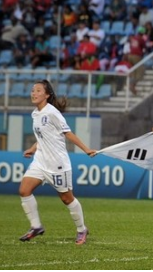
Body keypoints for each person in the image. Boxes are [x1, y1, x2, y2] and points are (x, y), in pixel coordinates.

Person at [19, 80, 97, 245]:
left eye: (38, 90)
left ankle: (82, 229)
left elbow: (68, 134)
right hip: (40, 161)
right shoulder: (35, 113)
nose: (34, 93)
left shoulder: (52, 113)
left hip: (57, 163)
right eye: (33, 90)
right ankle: (36, 226)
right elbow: (43, 136)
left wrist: (86, 149)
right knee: (24, 190)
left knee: (67, 199)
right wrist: (33, 148)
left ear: (47, 95)